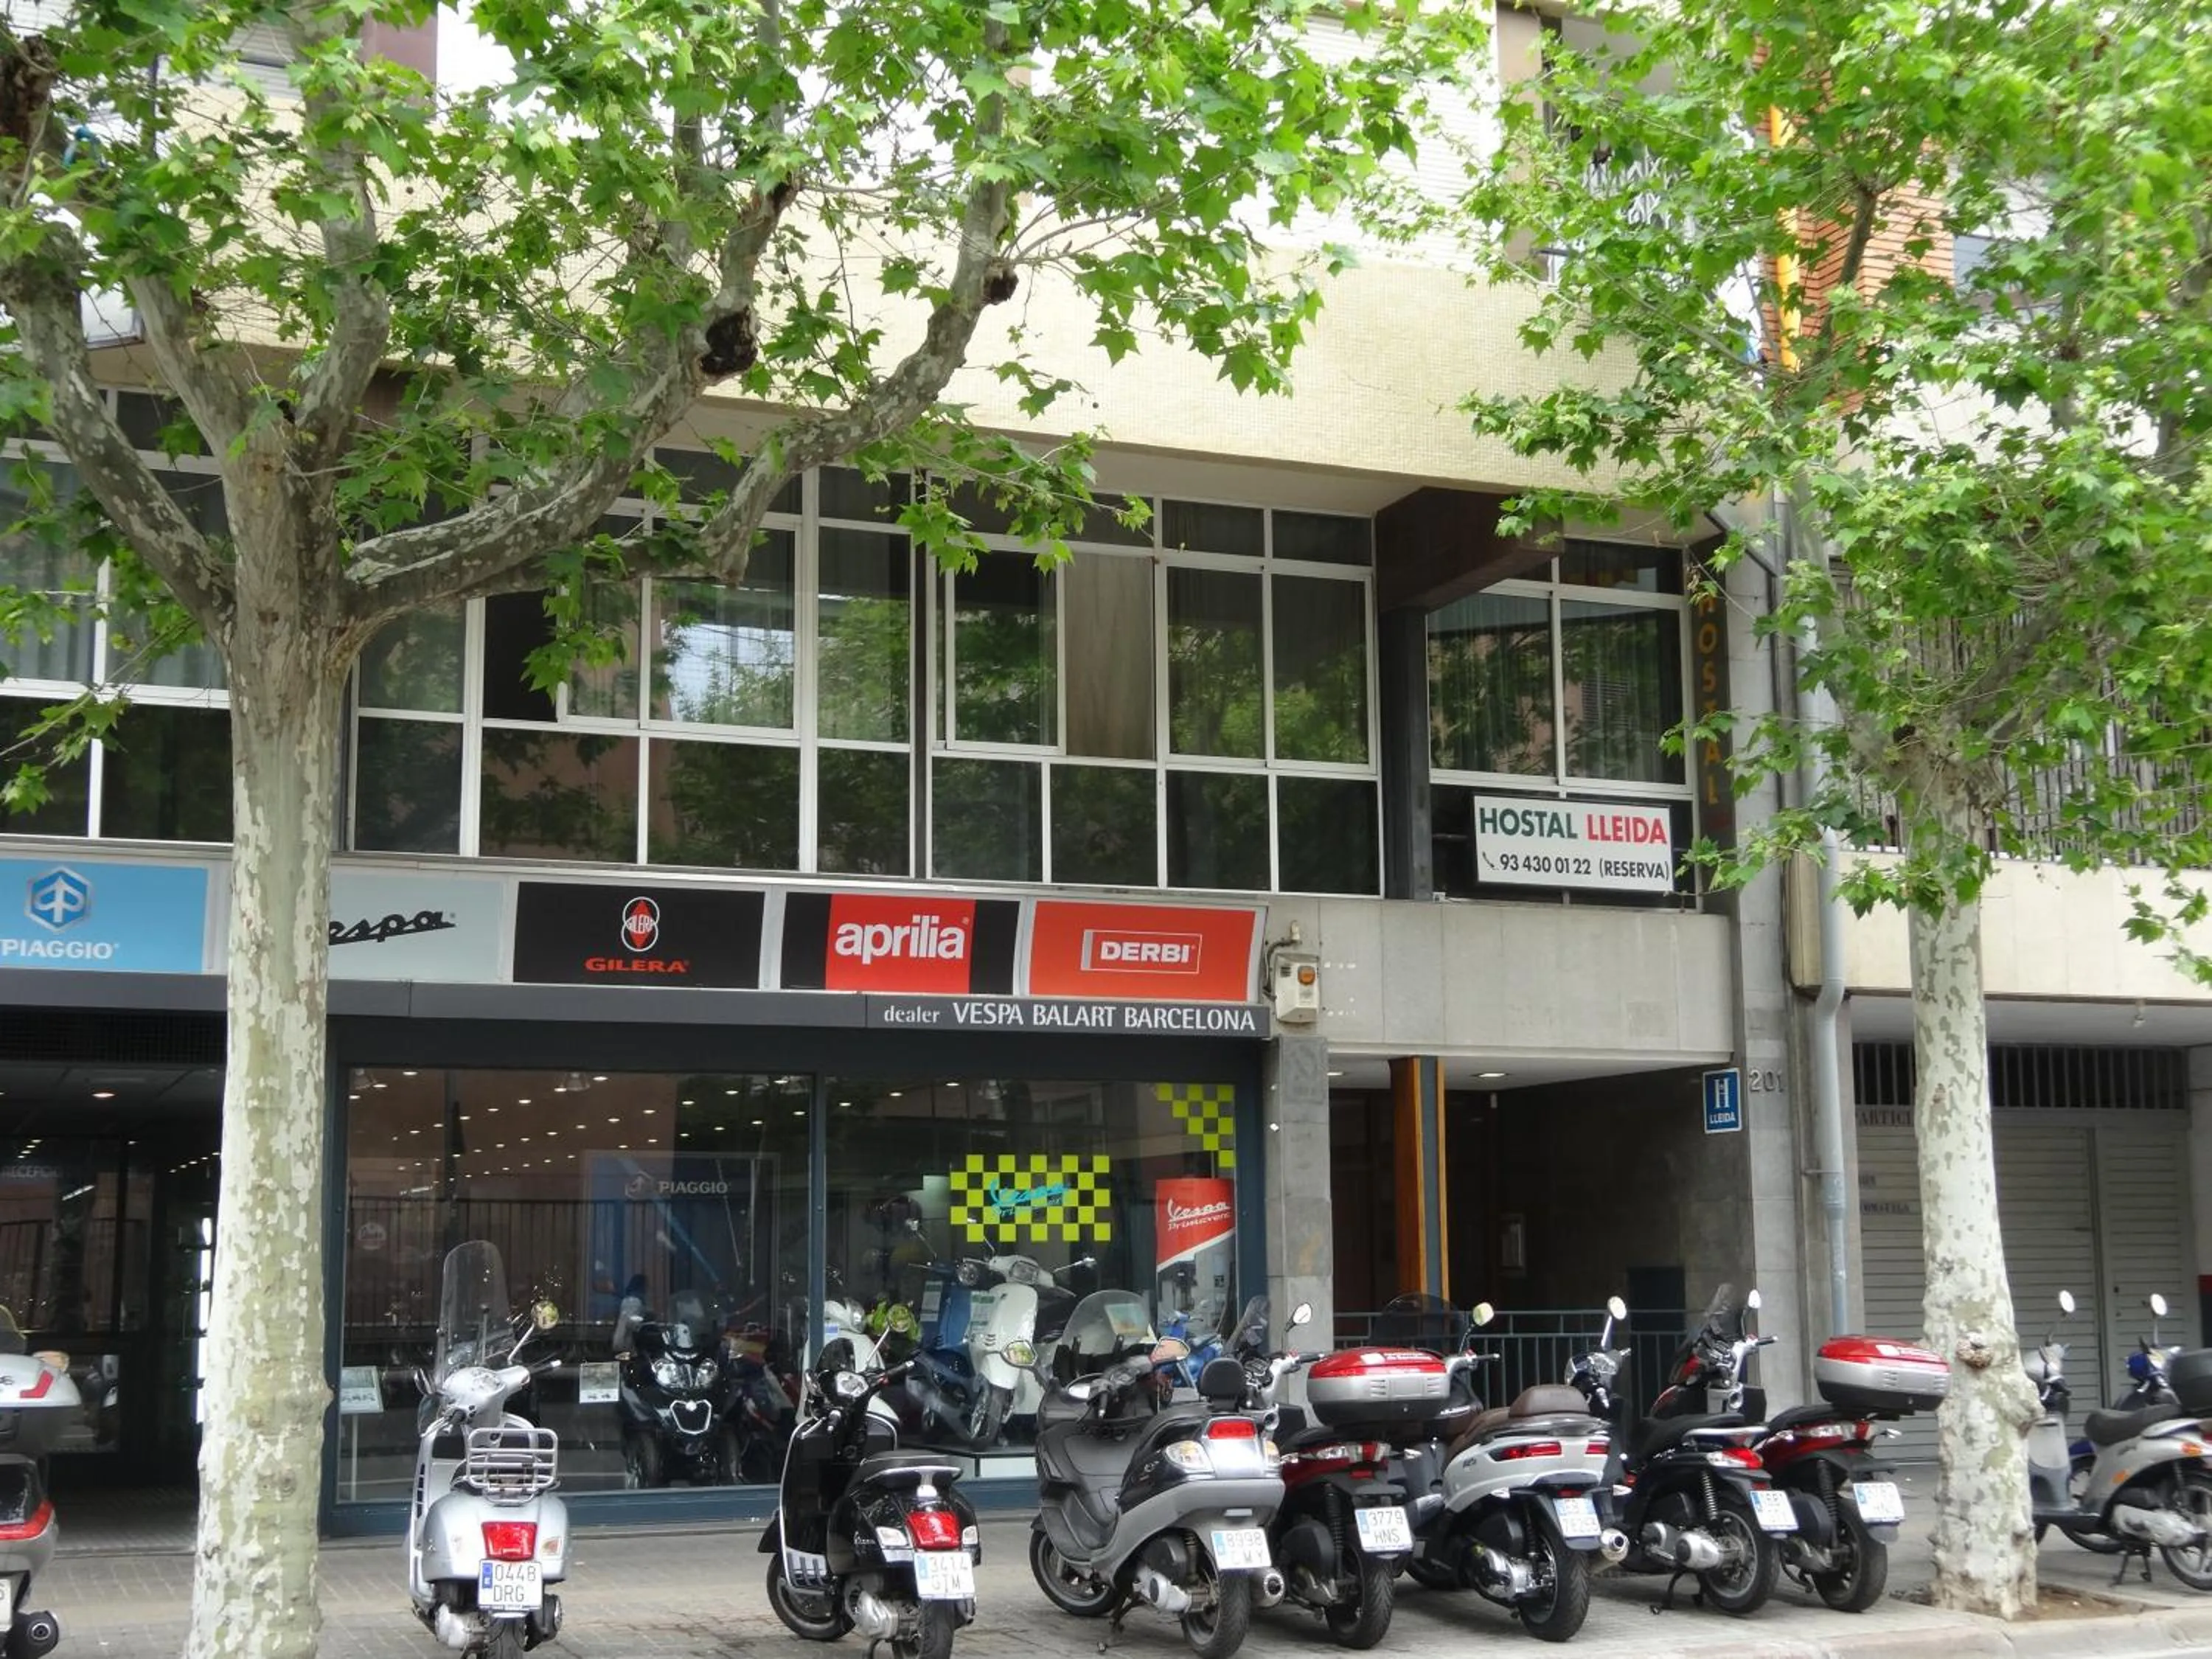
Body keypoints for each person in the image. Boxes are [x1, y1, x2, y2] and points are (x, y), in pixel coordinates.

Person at [611, 1273, 650, 1355]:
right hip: (628, 1341)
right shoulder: (635, 1301)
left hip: (621, 1339)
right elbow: (632, 1322)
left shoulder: (627, 1299)